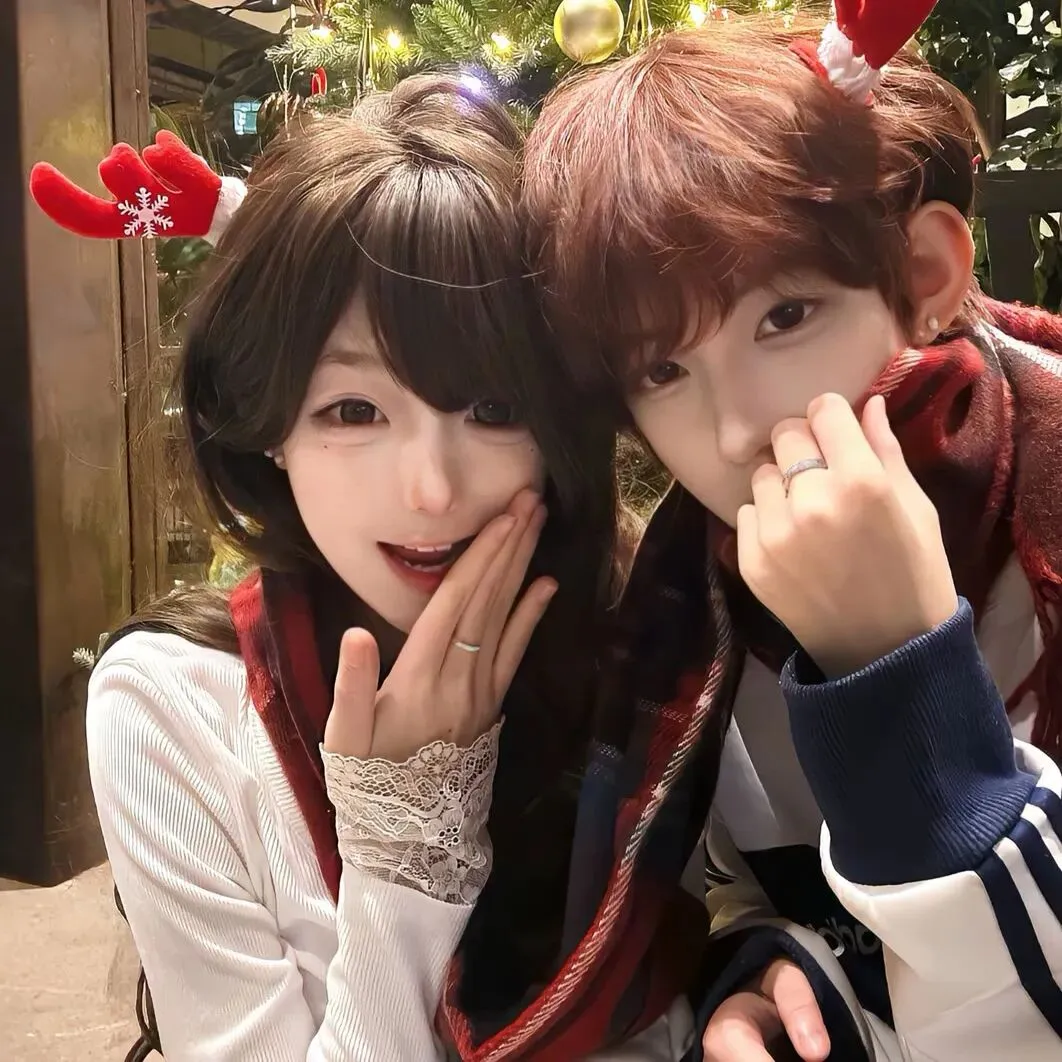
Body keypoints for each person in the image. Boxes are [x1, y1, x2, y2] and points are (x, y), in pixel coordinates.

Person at [31, 74, 644, 1060]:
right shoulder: (175, 705)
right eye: (353, 411)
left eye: (493, 409)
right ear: (270, 428)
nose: (431, 491)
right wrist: (409, 843)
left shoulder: (642, 628)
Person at [522, 4, 1062, 1061]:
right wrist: (765, 967)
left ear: (924, 275)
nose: (734, 431)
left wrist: (895, 668)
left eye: (785, 317)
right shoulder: (684, 613)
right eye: (662, 370)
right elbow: (736, 885)